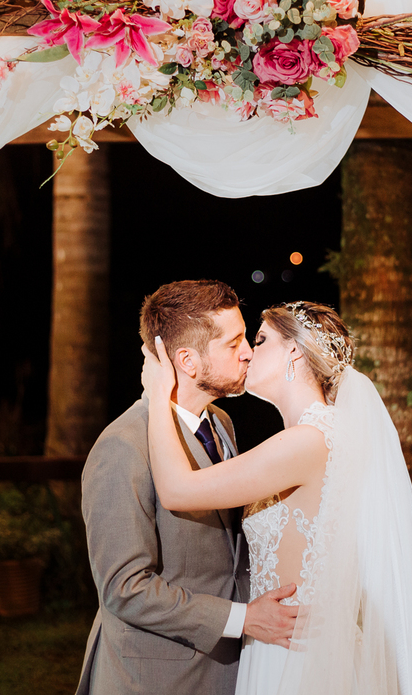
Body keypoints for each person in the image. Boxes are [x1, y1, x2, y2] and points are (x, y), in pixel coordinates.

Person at [143, 300, 412, 695]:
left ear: (294, 352)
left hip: (297, 659)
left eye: (261, 339)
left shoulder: (307, 442)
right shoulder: (321, 435)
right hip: (286, 644)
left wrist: (159, 391)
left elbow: (177, 490)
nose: (248, 350)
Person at [76, 280, 300, 695]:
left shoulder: (222, 423)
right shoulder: (122, 448)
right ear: (188, 360)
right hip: (154, 678)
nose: (248, 351)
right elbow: (125, 589)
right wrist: (243, 619)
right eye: (233, 344)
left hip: (226, 669)